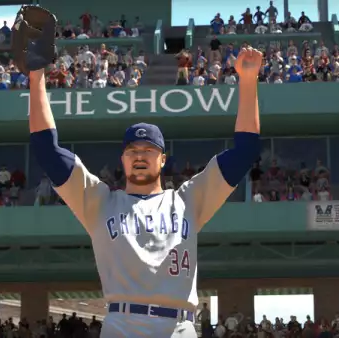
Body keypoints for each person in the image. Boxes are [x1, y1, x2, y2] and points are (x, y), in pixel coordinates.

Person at [23, 15, 262, 338]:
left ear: (162, 159)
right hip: (123, 324)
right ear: (122, 159)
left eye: (148, 150)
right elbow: (47, 150)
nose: (139, 155)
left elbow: (245, 151)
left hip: (179, 325)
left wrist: (248, 82)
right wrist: (36, 75)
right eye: (132, 150)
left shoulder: (189, 200)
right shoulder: (98, 202)